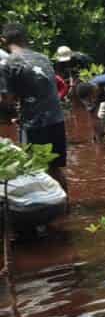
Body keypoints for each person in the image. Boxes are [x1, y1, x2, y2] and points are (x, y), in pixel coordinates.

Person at [0, 23, 69, 194]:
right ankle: (65, 204)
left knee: (34, 170)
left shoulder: (8, 63)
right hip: (57, 120)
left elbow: (7, 99)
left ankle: (47, 212)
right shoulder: (43, 58)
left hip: (34, 124)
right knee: (55, 168)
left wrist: (8, 114)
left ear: (3, 40)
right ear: (25, 38)